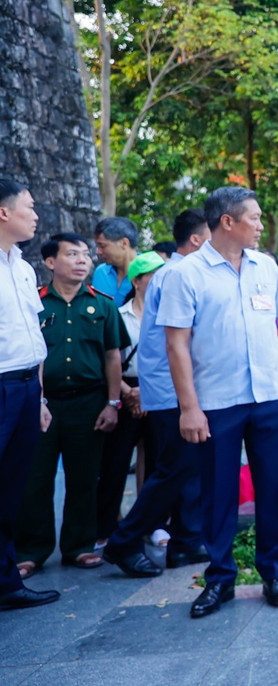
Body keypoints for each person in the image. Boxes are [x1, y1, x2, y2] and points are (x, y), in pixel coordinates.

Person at [160, 187, 278, 617]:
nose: (261, 224)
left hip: (270, 394)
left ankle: (275, 573)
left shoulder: (265, 266)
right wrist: (189, 407)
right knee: (218, 492)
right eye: (254, 217)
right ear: (227, 221)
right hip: (216, 402)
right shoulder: (186, 274)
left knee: (273, 488)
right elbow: (177, 345)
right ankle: (220, 578)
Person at [102, 210, 212, 578]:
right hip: (172, 392)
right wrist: (184, 401)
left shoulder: (179, 273)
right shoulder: (176, 275)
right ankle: (124, 540)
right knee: (173, 470)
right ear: (197, 239)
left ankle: (185, 541)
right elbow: (171, 343)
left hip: (178, 390)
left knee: (186, 470)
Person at [15, 233, 126, 575]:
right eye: (72, 254)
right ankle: (31, 549)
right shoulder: (33, 303)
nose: (82, 260)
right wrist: (39, 400)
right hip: (43, 403)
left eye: (85, 255)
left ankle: (79, 545)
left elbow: (112, 356)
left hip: (88, 402)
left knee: (84, 476)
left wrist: (112, 402)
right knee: (35, 477)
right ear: (50, 262)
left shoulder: (102, 304)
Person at [0, 180, 59, 610]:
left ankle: (6, 583)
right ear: (4, 213)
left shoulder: (21, 266)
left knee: (10, 490)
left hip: (24, 388)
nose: (35, 215)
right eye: (29, 207)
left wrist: (38, 397)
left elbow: (34, 338)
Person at [95, 251, 165, 548]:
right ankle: (106, 527)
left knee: (157, 461)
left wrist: (147, 393)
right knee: (116, 461)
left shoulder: (168, 315)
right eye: (153, 276)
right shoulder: (118, 314)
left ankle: (153, 524)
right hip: (124, 389)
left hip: (158, 391)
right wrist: (128, 392)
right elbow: (109, 358)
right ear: (137, 281)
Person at [92, 216, 139, 305]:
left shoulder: (149, 274)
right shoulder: (101, 272)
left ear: (124, 243)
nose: (98, 252)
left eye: (102, 246)